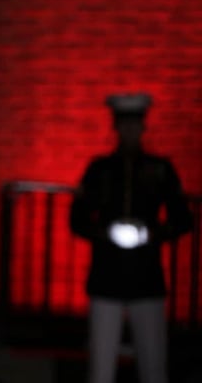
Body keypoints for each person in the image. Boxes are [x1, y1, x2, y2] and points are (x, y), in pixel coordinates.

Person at [70, 93, 193, 383]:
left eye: (134, 125)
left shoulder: (160, 169)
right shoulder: (99, 170)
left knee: (153, 367)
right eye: (124, 124)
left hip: (146, 278)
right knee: (100, 369)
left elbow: (182, 219)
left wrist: (152, 233)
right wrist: (105, 232)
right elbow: (77, 219)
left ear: (142, 127)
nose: (129, 131)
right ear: (116, 127)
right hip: (106, 277)